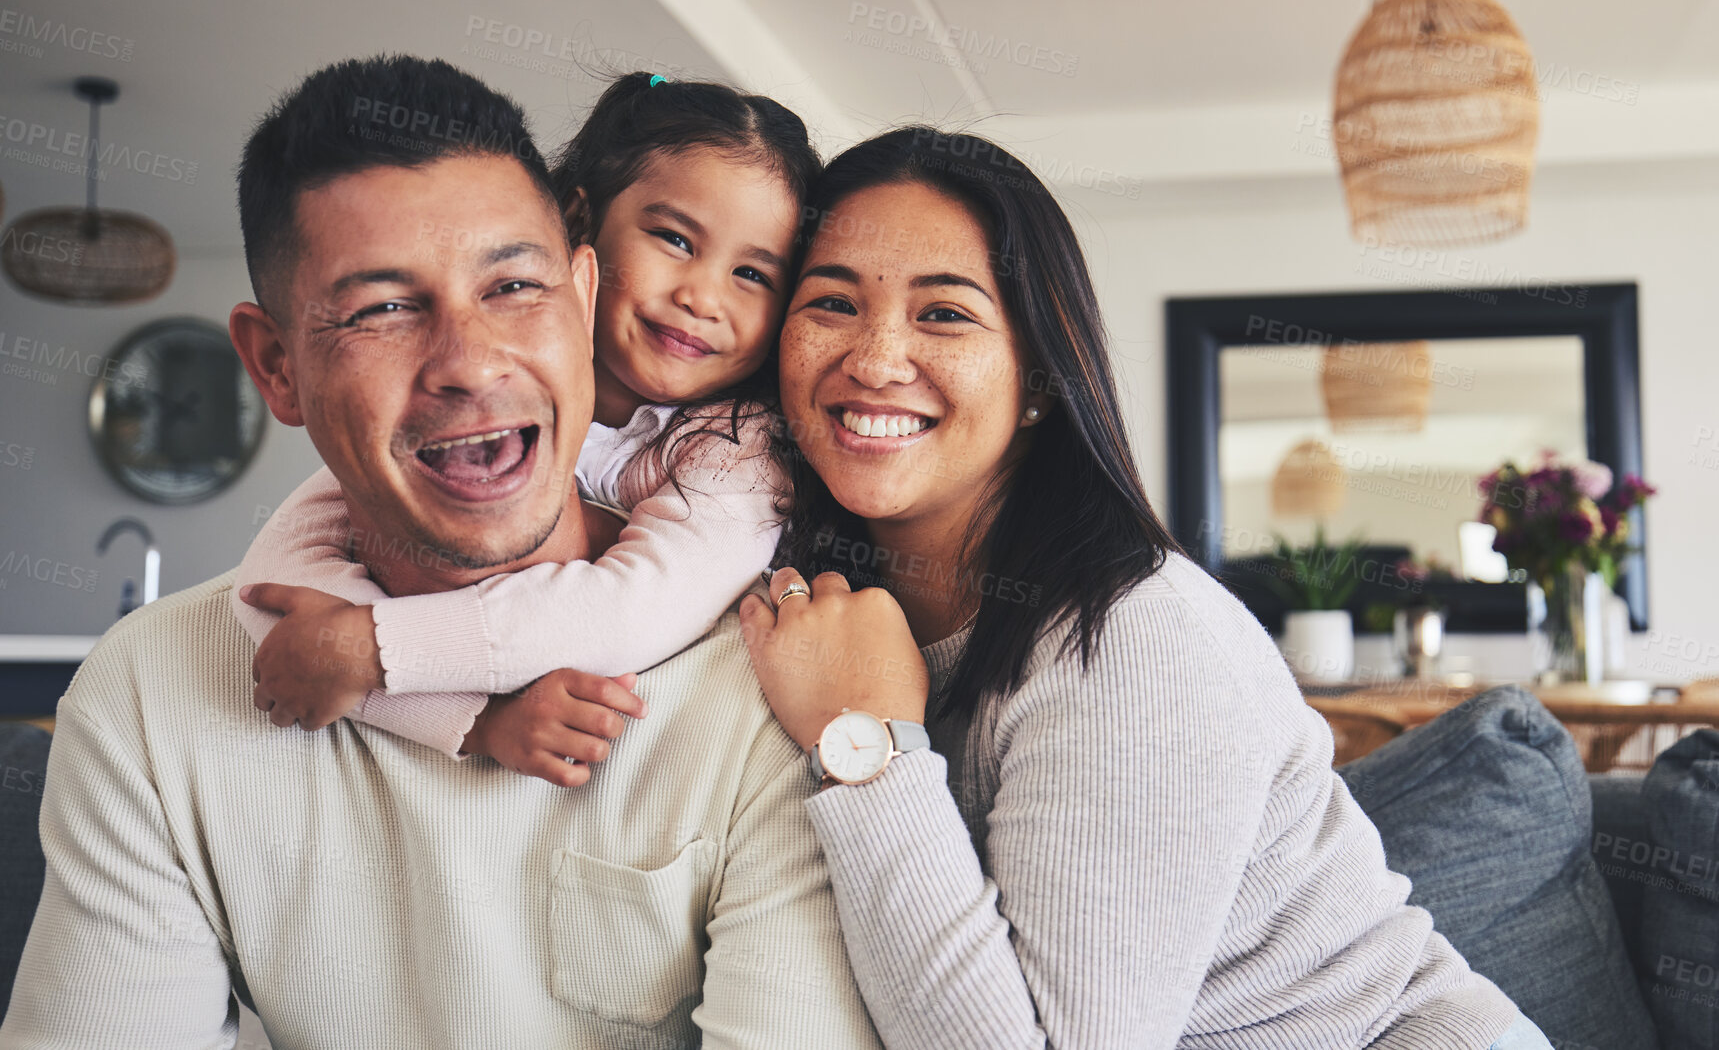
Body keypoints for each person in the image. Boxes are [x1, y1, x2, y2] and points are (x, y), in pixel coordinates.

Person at [0, 56, 880, 1049]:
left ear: (579, 296)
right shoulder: (153, 686)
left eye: (513, 285)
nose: (469, 363)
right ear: (276, 366)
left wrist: (374, 654)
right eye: (381, 307)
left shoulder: (767, 678)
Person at [737, 127, 1555, 1049]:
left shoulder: (1132, 637)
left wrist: (866, 746)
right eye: (831, 302)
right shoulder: (817, 611)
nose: (876, 357)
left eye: (944, 315)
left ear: (1039, 376)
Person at [232, 71, 815, 783]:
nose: (702, 296)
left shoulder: (738, 450)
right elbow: (271, 593)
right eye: (673, 238)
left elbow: (630, 613)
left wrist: (373, 648)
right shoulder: (441, 429)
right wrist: (472, 722)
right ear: (581, 230)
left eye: (754, 275)